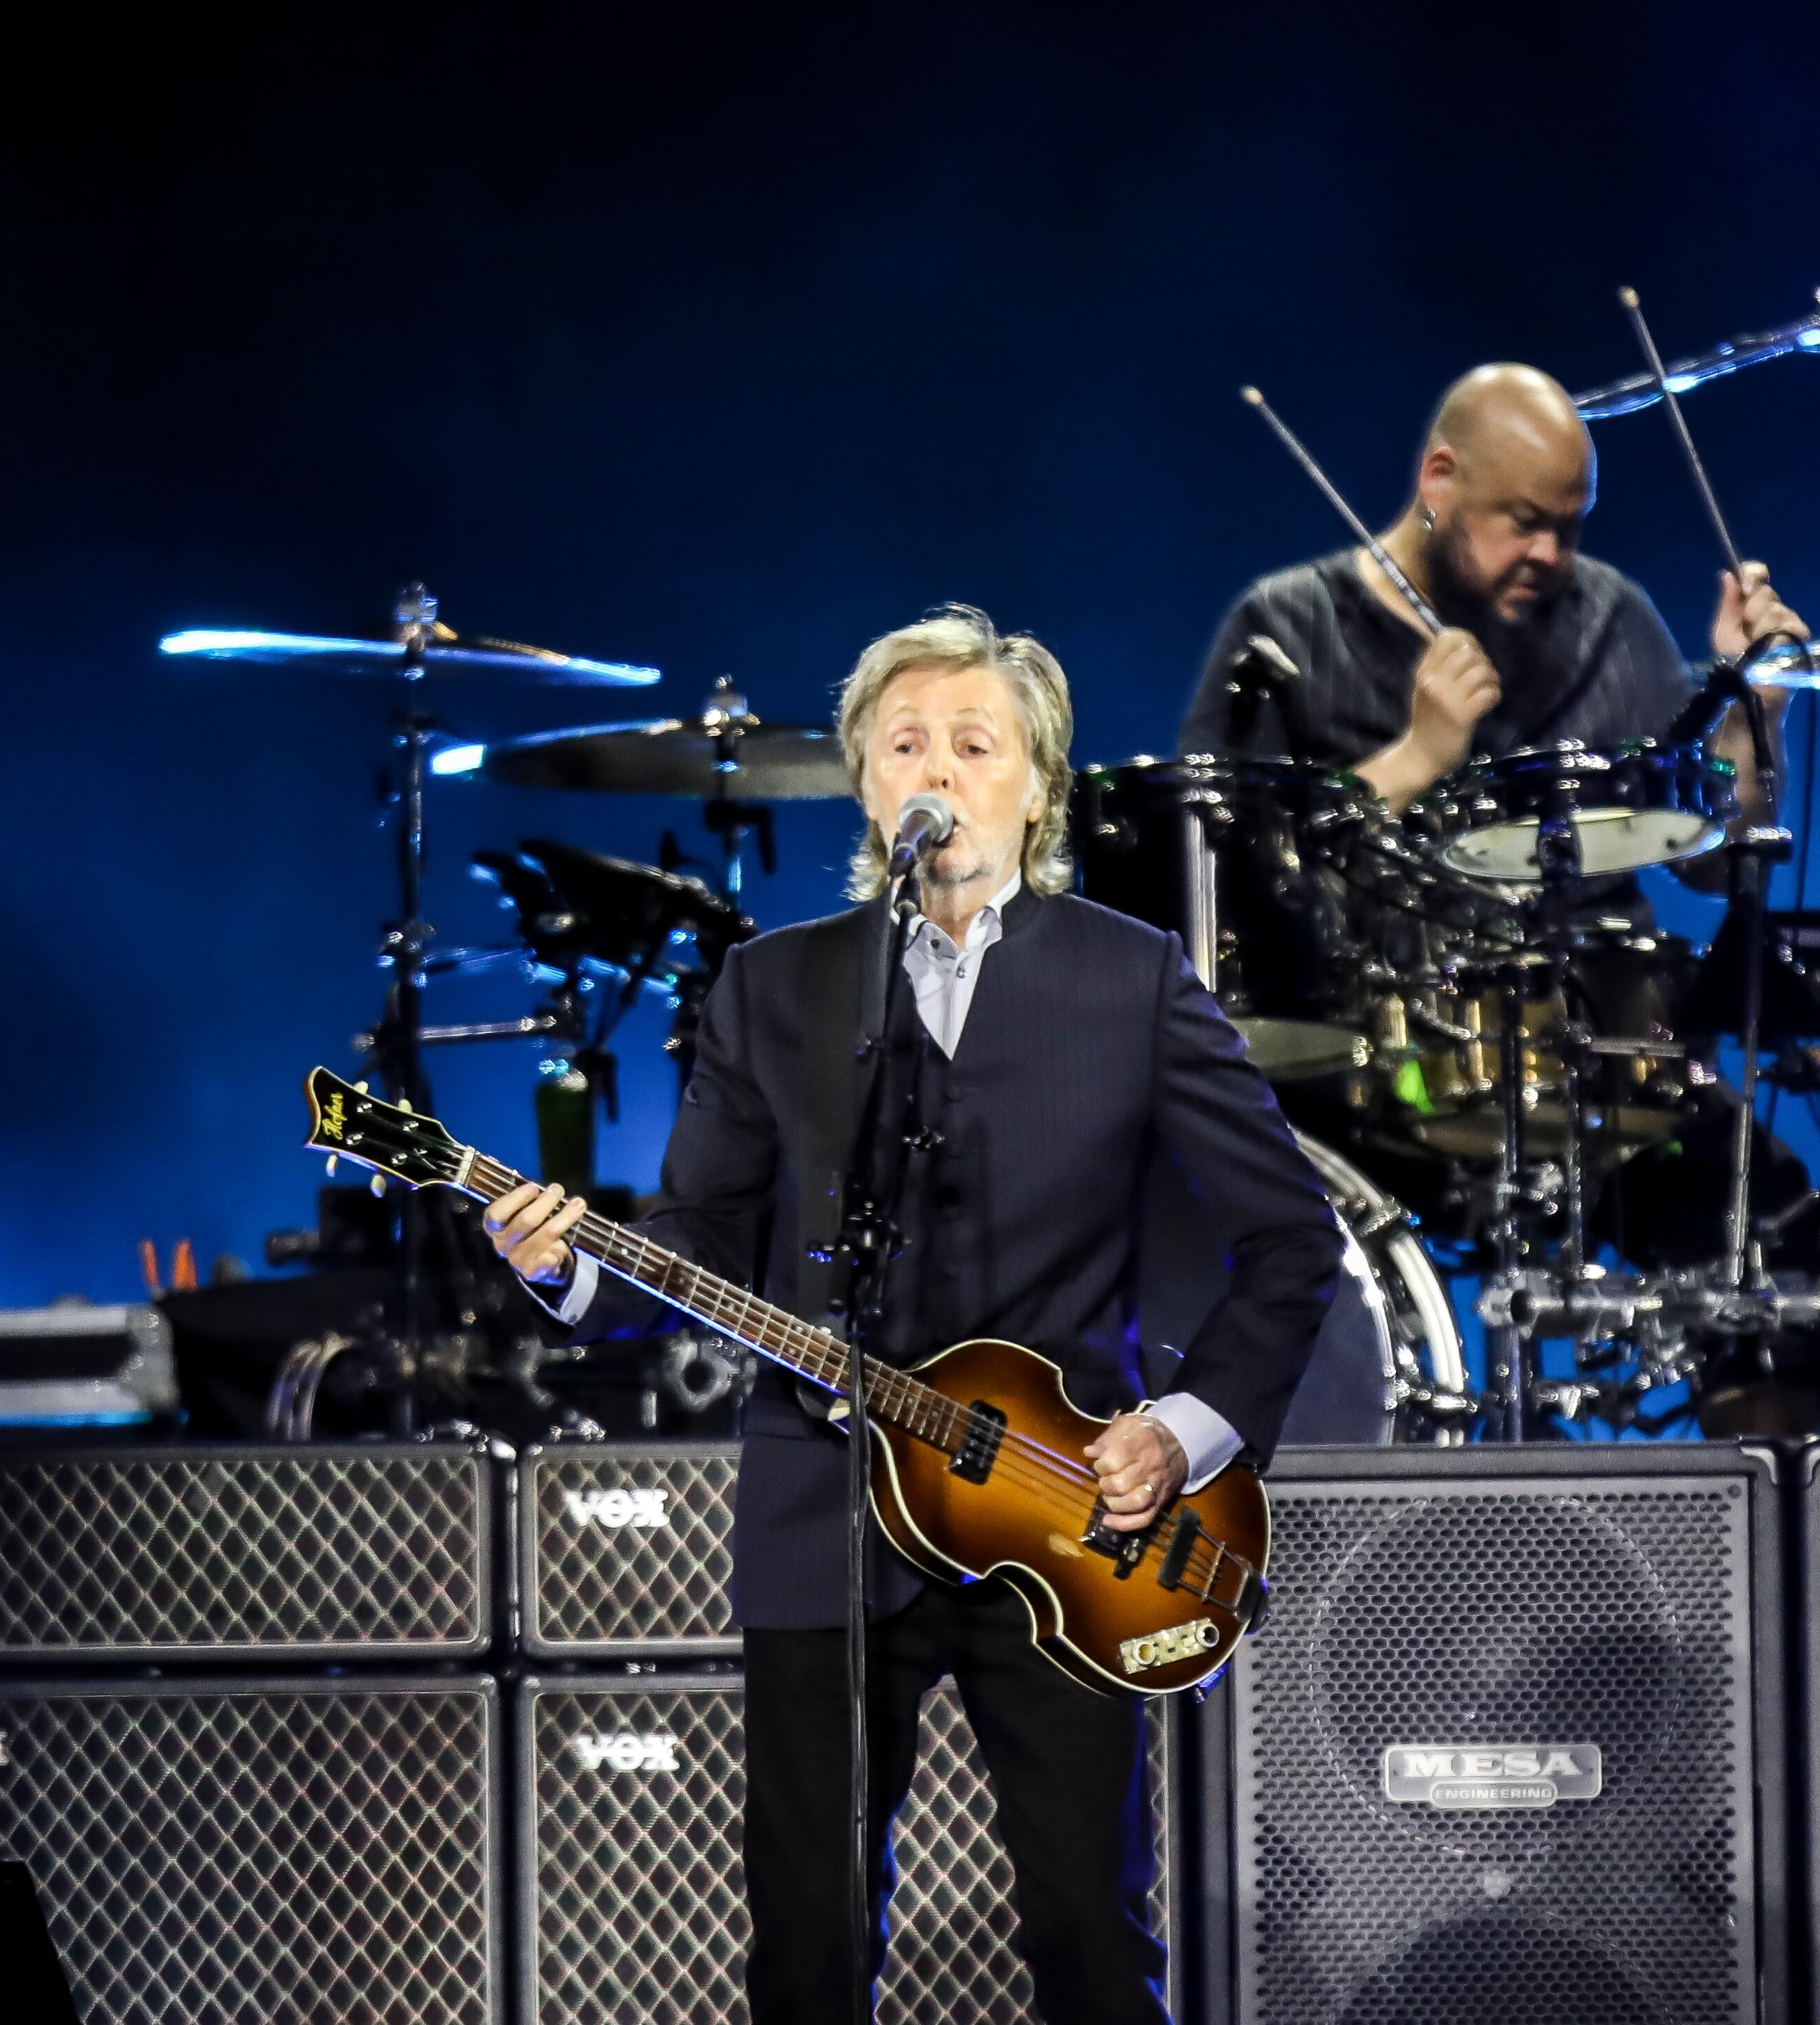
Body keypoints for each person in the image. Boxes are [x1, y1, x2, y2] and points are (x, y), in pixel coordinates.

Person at [485, 606, 1341, 2025]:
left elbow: (1289, 1239)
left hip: (1070, 1517)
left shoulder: (1130, 978)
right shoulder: (773, 986)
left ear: (1034, 784)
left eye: (972, 741)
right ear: (868, 787)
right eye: (903, 744)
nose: (935, 766)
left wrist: (1183, 1436)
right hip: (824, 1509)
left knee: (1084, 1925)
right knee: (809, 1939)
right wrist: (566, 1265)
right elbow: (699, 1239)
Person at [1183, 360, 1806, 844]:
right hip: (1365, 1002)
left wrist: (1756, 715)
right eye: (1525, 521)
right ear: (1439, 479)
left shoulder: (1610, 616)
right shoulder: (1284, 627)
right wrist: (1415, 759)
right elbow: (1225, 864)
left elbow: (1714, 868)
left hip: (1601, 997)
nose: (1549, 554)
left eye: (1569, 528)